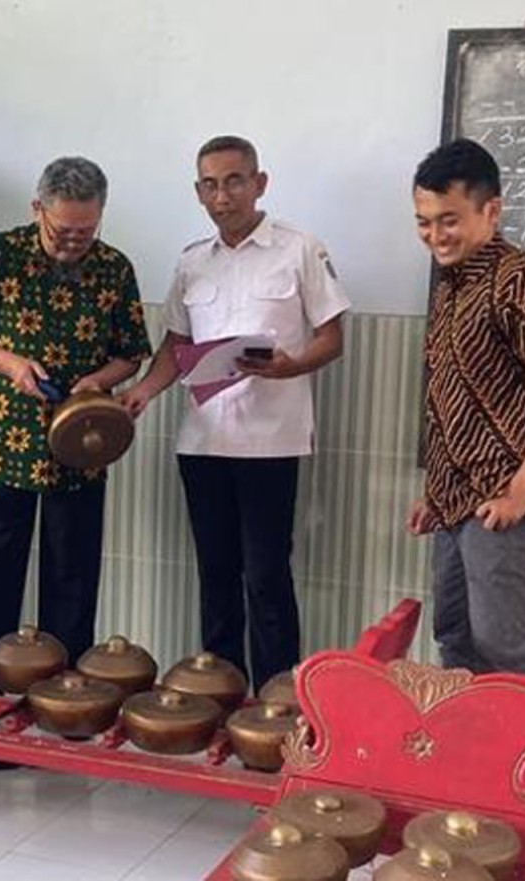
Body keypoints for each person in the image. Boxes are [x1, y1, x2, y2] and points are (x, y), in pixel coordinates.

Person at [119, 135, 348, 690]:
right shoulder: (193, 261)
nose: (223, 195)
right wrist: (144, 392)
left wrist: (290, 367)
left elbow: (332, 337)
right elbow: (176, 346)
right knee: (215, 574)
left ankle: (275, 700)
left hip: (272, 443)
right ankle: (217, 693)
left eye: (235, 181)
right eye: (211, 185)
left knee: (267, 576)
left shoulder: (299, 249)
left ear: (259, 183)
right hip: (202, 444)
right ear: (198, 192)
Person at [0, 156, 151, 665]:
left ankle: (66, 708)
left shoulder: (114, 268)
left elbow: (131, 352)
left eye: (87, 231)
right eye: (63, 231)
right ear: (37, 209)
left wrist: (98, 380)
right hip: (2, 441)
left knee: (73, 580)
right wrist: (9, 364)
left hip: (81, 445)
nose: (75, 243)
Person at [406, 138, 525, 680]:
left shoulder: (519, 277)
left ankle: (523, 767)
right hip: (453, 500)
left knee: (503, 650)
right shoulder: (451, 281)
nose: (435, 236)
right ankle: (470, 764)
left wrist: (523, 487)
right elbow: (458, 393)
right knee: (456, 640)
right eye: (423, 221)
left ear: (492, 210)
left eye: (449, 220)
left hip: (501, 501)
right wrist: (436, 490)